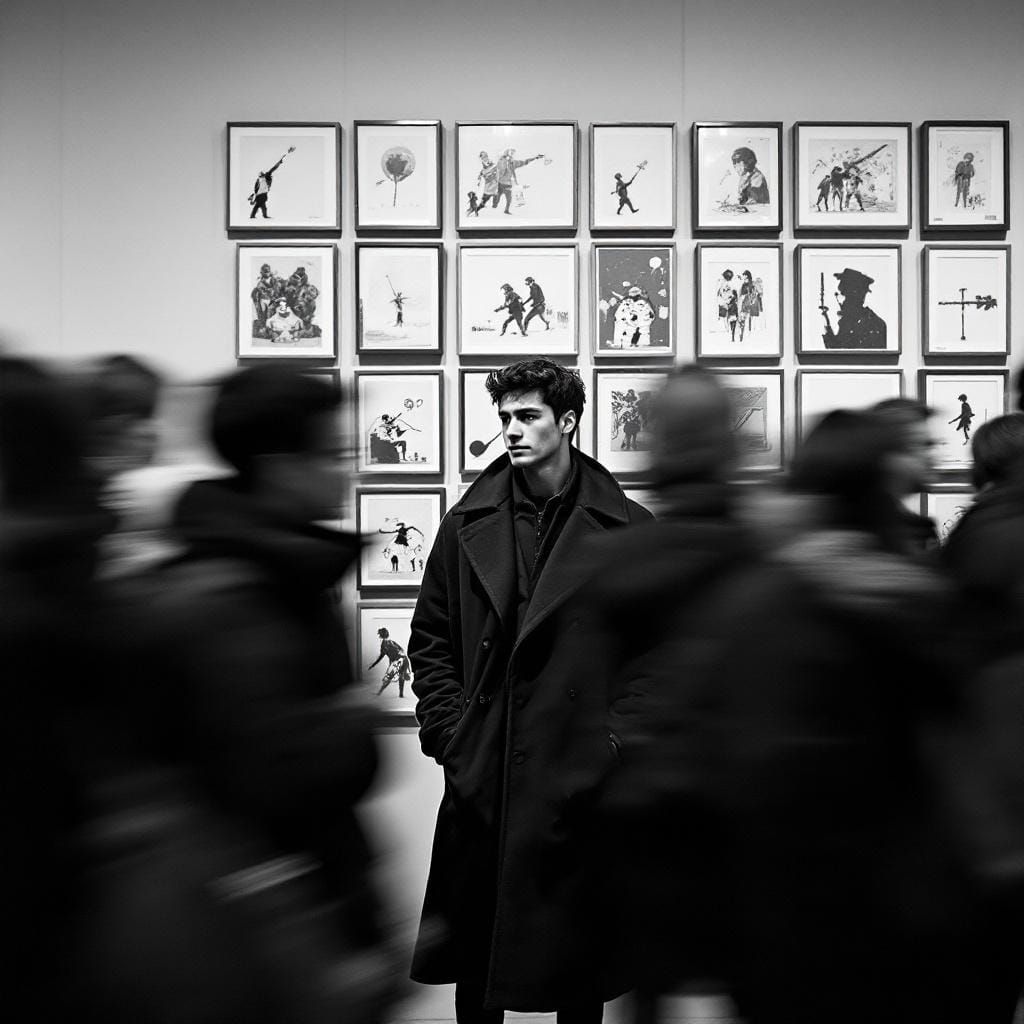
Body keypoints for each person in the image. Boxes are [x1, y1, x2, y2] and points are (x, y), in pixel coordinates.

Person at [142, 364, 397, 1022]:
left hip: (310, 912)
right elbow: (271, 775)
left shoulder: (284, 571)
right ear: (282, 467)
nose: (348, 469)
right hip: (282, 929)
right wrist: (347, 722)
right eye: (335, 453)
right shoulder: (239, 596)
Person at [408, 358, 653, 1023]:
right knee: (478, 968)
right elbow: (429, 639)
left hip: (576, 774)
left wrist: (614, 742)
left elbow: (653, 655)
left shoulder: (627, 528)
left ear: (567, 421)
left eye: (527, 416)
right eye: (505, 418)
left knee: (576, 968)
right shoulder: (465, 526)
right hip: (486, 770)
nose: (511, 431)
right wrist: (450, 735)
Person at [576, 367, 756, 1024]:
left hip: (643, 814)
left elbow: (582, 702)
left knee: (647, 993)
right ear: (731, 448)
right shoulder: (766, 555)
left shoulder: (613, 563)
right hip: (748, 820)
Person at [870, 397, 941, 556]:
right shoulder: (866, 534)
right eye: (922, 445)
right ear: (888, 454)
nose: (933, 457)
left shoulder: (915, 527)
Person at [821, 267, 886, 350]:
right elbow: (837, 348)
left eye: (843, 294)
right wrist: (826, 325)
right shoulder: (849, 321)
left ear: (856, 295)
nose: (840, 301)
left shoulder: (874, 324)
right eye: (838, 295)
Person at [248, 146, 294, 219]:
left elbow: (274, 167)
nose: (261, 175)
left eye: (261, 174)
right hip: (260, 195)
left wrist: (282, 159)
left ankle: (255, 215)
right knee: (261, 205)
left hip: (263, 194)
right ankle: (258, 215)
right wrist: (252, 196)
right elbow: (256, 189)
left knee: (260, 205)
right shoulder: (259, 180)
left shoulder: (266, 176)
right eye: (260, 174)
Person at [495, 148, 543, 214]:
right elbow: (500, 169)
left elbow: (524, 162)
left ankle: (506, 210)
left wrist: (535, 158)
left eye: (513, 154)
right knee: (497, 198)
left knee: (509, 199)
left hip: (508, 184)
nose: (512, 155)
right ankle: (495, 204)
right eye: (510, 153)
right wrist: (505, 161)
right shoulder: (501, 161)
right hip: (500, 184)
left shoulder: (513, 163)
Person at [369, 628, 413, 698]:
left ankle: (379, 692)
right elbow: (401, 650)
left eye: (379, 635)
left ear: (381, 635)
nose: (379, 636)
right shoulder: (390, 642)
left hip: (399, 660)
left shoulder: (386, 644)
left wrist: (373, 665)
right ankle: (400, 694)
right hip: (403, 659)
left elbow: (381, 656)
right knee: (401, 676)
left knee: (390, 676)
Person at [737, 270, 762, 342]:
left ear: (748, 276)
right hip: (744, 302)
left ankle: (747, 336)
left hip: (751, 303)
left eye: (745, 276)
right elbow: (740, 294)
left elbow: (759, 292)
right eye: (743, 277)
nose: (744, 278)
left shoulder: (753, 283)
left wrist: (754, 296)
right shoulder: (743, 285)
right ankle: (742, 335)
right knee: (743, 319)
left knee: (750, 320)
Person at [717, 270, 739, 343]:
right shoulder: (732, 284)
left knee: (726, 320)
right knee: (732, 320)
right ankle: (732, 336)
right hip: (731, 304)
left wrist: (724, 302)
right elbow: (735, 295)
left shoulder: (723, 285)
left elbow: (719, 295)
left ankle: (729, 335)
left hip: (725, 304)